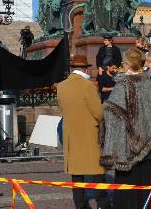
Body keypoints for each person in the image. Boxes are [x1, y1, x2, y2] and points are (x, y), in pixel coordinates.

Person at [101, 48, 151, 208]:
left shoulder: (123, 86)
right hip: (149, 151)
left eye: (124, 63)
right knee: (146, 196)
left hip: (127, 153)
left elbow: (111, 116)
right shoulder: (149, 86)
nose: (122, 66)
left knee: (128, 198)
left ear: (128, 65)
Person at [56, 54, 108, 209]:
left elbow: (63, 109)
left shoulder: (61, 86)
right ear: (85, 68)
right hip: (89, 133)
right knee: (97, 171)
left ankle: (80, 204)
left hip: (71, 134)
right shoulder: (88, 86)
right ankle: (102, 203)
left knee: (76, 172)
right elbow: (98, 112)